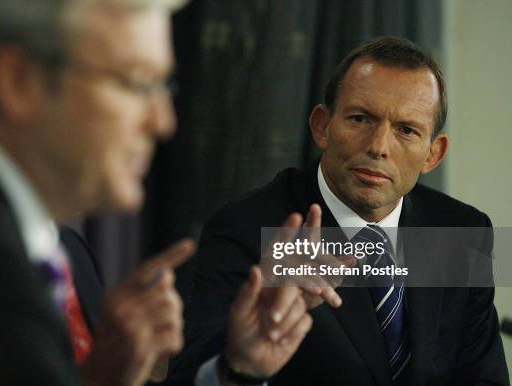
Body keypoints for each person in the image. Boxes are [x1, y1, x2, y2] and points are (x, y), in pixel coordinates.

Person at [0, 1, 314, 385]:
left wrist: (235, 367)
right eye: (136, 83)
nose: (162, 122)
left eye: (162, 86)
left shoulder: (62, 253)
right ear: (19, 81)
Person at [169, 37, 509, 385]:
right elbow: (191, 374)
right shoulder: (247, 230)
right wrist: (242, 365)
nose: (378, 147)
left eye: (406, 130)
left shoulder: (461, 231)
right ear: (321, 126)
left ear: (433, 154)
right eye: (361, 119)